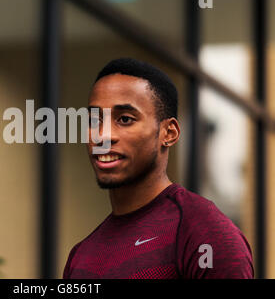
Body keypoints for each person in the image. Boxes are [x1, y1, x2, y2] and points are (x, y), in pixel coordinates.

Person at [63, 58, 254, 279]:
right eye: (95, 120)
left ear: (169, 133)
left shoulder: (204, 233)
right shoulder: (81, 256)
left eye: (125, 119)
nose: (104, 136)